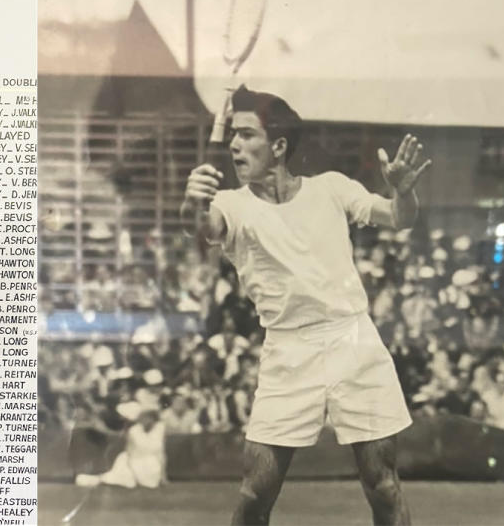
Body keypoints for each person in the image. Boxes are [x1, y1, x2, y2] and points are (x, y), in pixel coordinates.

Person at [181, 85, 432, 525]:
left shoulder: (331, 189)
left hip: (353, 341)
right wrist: (190, 201)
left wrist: (403, 192)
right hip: (288, 351)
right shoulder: (230, 205)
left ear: (278, 146)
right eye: (234, 135)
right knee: (255, 494)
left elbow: (399, 217)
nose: (236, 145)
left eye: (247, 135)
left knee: (384, 486)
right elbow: (201, 225)